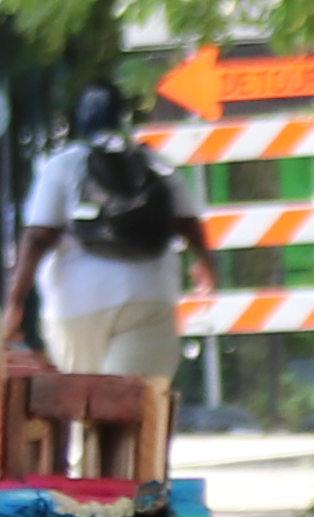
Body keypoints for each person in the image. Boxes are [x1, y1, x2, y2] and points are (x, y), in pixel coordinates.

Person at [10, 87, 193, 381]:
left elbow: (38, 236)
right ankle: (121, 426)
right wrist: (206, 265)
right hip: (148, 294)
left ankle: (92, 427)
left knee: (86, 402)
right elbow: (187, 222)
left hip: (76, 303)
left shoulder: (63, 165)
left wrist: (15, 304)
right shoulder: (156, 163)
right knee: (133, 404)